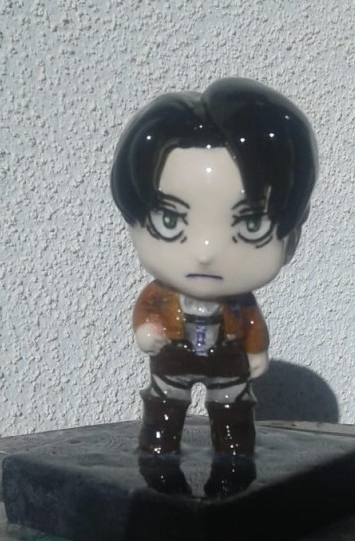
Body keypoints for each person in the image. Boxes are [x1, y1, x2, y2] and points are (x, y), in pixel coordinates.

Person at [111, 77, 318, 458]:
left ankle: (234, 447)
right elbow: (146, 311)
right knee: (164, 401)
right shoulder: (161, 295)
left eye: (250, 225)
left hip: (227, 359)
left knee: (232, 405)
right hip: (173, 355)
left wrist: (256, 351)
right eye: (170, 221)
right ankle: (159, 443)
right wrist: (146, 330)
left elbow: (253, 325)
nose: (205, 252)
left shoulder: (240, 304)